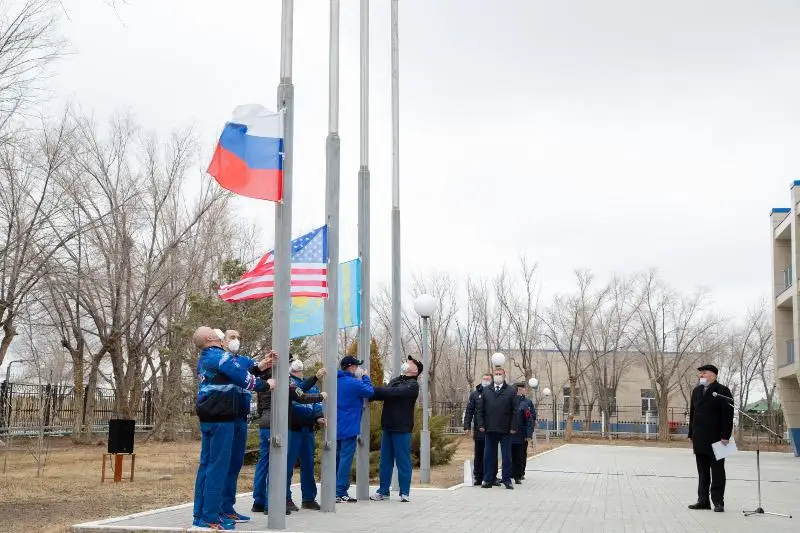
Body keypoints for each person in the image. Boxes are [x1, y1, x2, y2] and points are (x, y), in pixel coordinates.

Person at [191, 326, 274, 531]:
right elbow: (242, 377)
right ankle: (210, 517)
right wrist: (266, 384)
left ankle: (202, 514)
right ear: (211, 338)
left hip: (213, 417)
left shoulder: (207, 357)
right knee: (217, 468)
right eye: (214, 331)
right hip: (222, 418)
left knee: (209, 466)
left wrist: (261, 366)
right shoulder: (219, 356)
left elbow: (240, 369)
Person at [250, 350, 326, 516]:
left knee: (265, 463)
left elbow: (297, 390)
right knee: (278, 465)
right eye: (289, 362)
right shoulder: (281, 379)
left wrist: (313, 380)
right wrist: (320, 396)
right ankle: (274, 504)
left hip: (265, 423)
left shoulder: (264, 377)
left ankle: (260, 501)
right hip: (277, 425)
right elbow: (299, 395)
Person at [369, 356, 422, 502]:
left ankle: (404, 492)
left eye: (410, 362)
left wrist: (377, 391)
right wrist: (370, 392)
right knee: (385, 461)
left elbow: (393, 393)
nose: (407, 362)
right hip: (388, 426)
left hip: (402, 428)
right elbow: (385, 392)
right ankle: (383, 491)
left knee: (403, 461)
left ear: (416, 370)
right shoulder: (396, 380)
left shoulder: (413, 385)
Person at [687, 364, 734, 513]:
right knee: (702, 471)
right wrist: (691, 433)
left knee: (718, 471)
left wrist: (725, 436)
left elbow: (728, 415)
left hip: (718, 438)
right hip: (700, 437)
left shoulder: (722, 391)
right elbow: (693, 413)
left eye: (704, 373)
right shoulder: (696, 391)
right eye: (700, 373)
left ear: (713, 375)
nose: (701, 375)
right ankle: (703, 501)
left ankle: (718, 502)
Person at [219, 330, 254, 523]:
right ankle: (220, 508)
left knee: (235, 465)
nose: (236, 341)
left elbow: (258, 368)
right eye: (232, 337)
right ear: (223, 341)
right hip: (226, 417)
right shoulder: (222, 360)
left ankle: (228, 507)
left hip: (241, 417)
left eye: (239, 337)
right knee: (224, 464)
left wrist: (268, 360)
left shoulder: (243, 360)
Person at [286, 358, 327, 511]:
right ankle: (285, 498)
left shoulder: (312, 386)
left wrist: (319, 416)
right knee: (288, 465)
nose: (297, 364)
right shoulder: (290, 382)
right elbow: (299, 392)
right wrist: (315, 377)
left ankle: (309, 498)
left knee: (308, 465)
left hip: (307, 428)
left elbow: (316, 404)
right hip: (293, 428)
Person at [335, 355, 374, 503]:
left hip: (335, 425)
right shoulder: (353, 383)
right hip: (349, 426)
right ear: (350, 366)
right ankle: (340, 492)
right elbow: (370, 392)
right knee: (345, 459)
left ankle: (333, 490)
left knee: (336, 458)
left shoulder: (335, 380)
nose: (357, 368)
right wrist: (365, 377)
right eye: (356, 366)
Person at [476, 367, 518, 490]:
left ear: (504, 375)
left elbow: (515, 411)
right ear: (493, 376)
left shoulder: (511, 391)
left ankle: (506, 479)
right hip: (490, 429)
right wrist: (481, 425)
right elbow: (480, 410)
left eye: (500, 374)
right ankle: (488, 479)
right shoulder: (486, 390)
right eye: (496, 374)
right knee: (489, 455)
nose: (498, 376)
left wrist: (514, 426)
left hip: (506, 430)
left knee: (506, 456)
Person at [463, 374, 492, 486]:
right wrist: (466, 426)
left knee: (490, 454)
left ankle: (490, 476)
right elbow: (469, 411)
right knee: (479, 454)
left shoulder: (494, 393)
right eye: (484, 379)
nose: (485, 381)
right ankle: (478, 477)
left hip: (492, 429)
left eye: (488, 379)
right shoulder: (475, 394)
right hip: (479, 430)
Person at [510, 382, 535, 484]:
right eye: (518, 389)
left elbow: (531, 419)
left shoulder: (527, 403)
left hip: (521, 434)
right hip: (509, 434)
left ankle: (520, 473)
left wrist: (528, 434)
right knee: (509, 454)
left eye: (521, 389)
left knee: (521, 454)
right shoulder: (509, 401)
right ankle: (511, 472)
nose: (520, 391)